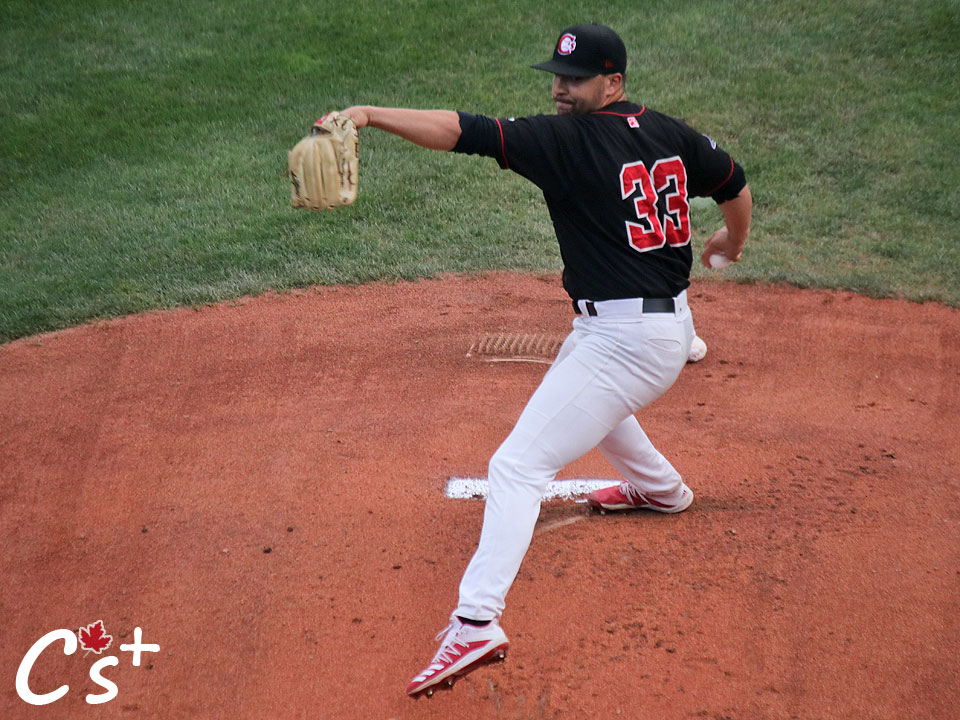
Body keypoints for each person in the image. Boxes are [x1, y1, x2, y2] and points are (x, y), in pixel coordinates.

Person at [338, 23, 752, 698]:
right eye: (556, 77)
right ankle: (660, 490)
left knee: (517, 464)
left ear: (611, 82)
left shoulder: (566, 141)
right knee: (578, 380)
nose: (560, 90)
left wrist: (370, 115)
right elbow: (733, 183)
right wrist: (731, 245)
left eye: (576, 79)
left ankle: (477, 622)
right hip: (658, 328)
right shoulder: (670, 132)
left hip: (628, 342)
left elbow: (463, 131)